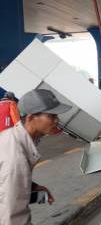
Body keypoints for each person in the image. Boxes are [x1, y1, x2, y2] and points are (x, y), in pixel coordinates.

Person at [0, 89, 72, 225]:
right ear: (31, 119)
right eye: (51, 116)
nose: (57, 120)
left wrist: (31, 185)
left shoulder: (13, 135)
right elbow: (12, 218)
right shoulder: (15, 158)